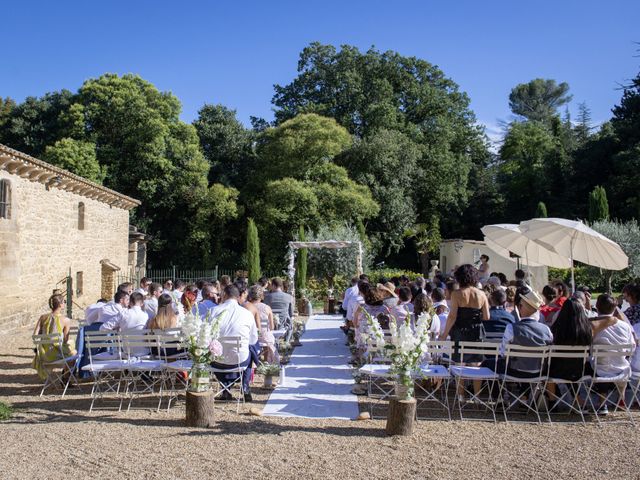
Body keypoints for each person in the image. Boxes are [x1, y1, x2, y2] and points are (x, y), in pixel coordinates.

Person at [209, 284, 258, 402]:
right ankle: (245, 386)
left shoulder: (213, 311)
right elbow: (253, 339)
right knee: (251, 350)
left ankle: (225, 389)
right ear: (238, 297)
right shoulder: (246, 314)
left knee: (221, 350)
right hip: (239, 360)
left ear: (224, 295)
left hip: (217, 361)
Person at [490, 286, 552, 377]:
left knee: (487, 364)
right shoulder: (546, 330)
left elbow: (502, 353)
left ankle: (492, 391)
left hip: (515, 371)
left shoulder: (511, 328)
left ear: (520, 307)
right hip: (538, 372)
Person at [440, 265, 490, 352]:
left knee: (459, 361)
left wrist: (444, 335)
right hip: (476, 332)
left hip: (460, 331)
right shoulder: (482, 294)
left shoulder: (456, 294)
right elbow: (486, 317)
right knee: (475, 362)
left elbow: (452, 316)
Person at [32, 294, 77, 380]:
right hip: (56, 355)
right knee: (74, 352)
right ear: (60, 304)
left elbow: (35, 335)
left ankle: (65, 377)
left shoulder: (42, 317)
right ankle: (66, 378)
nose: (64, 303)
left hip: (43, 354)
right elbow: (65, 340)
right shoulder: (66, 320)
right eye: (64, 302)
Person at [247, 285, 278, 363]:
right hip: (265, 337)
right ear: (261, 296)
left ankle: (255, 360)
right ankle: (266, 361)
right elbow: (272, 327)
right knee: (267, 336)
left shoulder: (248, 307)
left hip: (251, 336)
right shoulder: (267, 308)